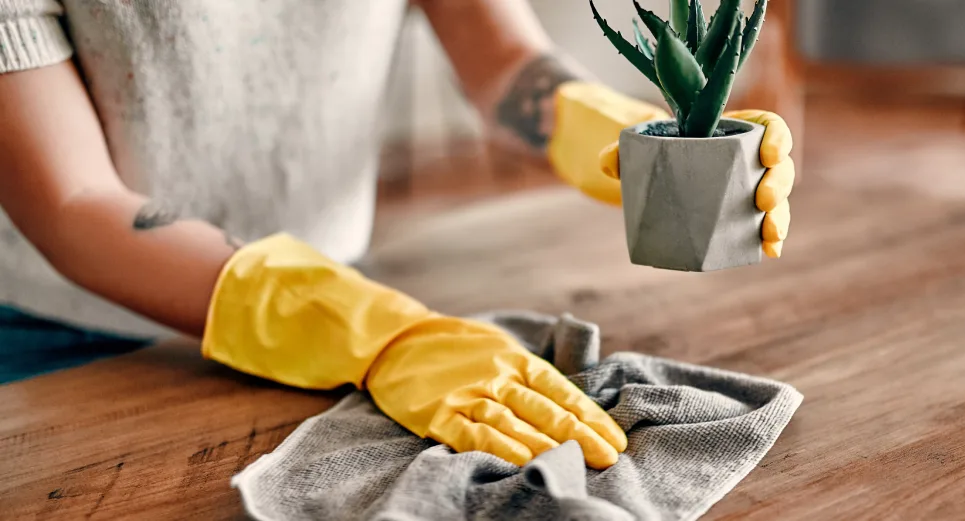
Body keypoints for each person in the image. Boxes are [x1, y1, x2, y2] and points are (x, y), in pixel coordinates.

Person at [0, 1, 795, 469]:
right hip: (64, 341)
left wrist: (620, 133)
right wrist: (378, 333)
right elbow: (73, 201)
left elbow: (501, 55)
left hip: (331, 296)